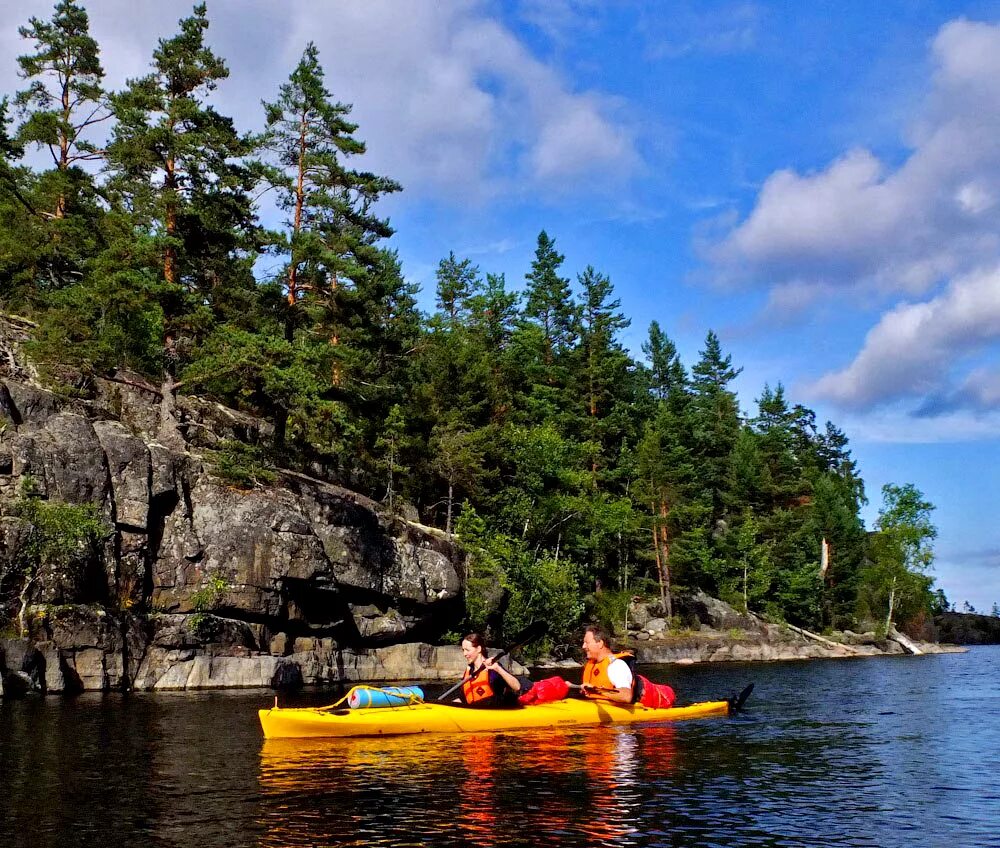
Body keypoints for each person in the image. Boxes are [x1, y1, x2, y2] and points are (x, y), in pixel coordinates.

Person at [457, 633, 522, 708]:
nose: (464, 654)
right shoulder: (468, 672)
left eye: (467, 650)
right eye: (463, 650)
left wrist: (498, 669)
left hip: (493, 713)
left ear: (478, 649)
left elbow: (517, 687)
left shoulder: (492, 669)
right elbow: (462, 699)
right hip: (474, 714)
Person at [580, 624, 635, 704]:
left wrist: (597, 690)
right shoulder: (593, 664)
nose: (583, 646)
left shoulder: (616, 666)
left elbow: (626, 696)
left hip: (619, 712)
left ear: (600, 643)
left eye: (587, 642)